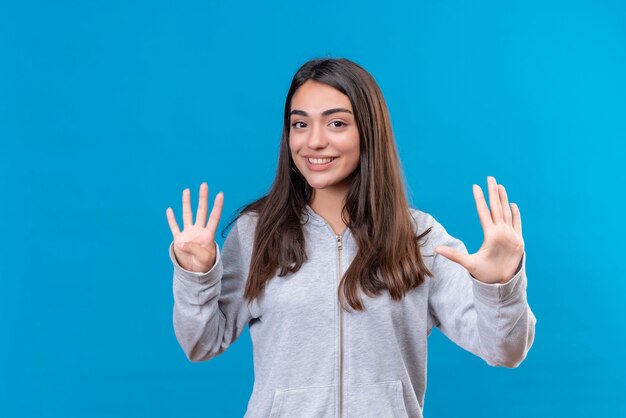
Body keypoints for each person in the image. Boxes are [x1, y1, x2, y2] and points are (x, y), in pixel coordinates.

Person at [165, 58, 536, 418]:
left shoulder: (420, 237)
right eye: (299, 124)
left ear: (368, 131)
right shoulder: (256, 233)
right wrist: (196, 275)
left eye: (336, 123)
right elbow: (200, 342)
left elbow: (505, 349)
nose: (314, 141)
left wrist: (499, 283)